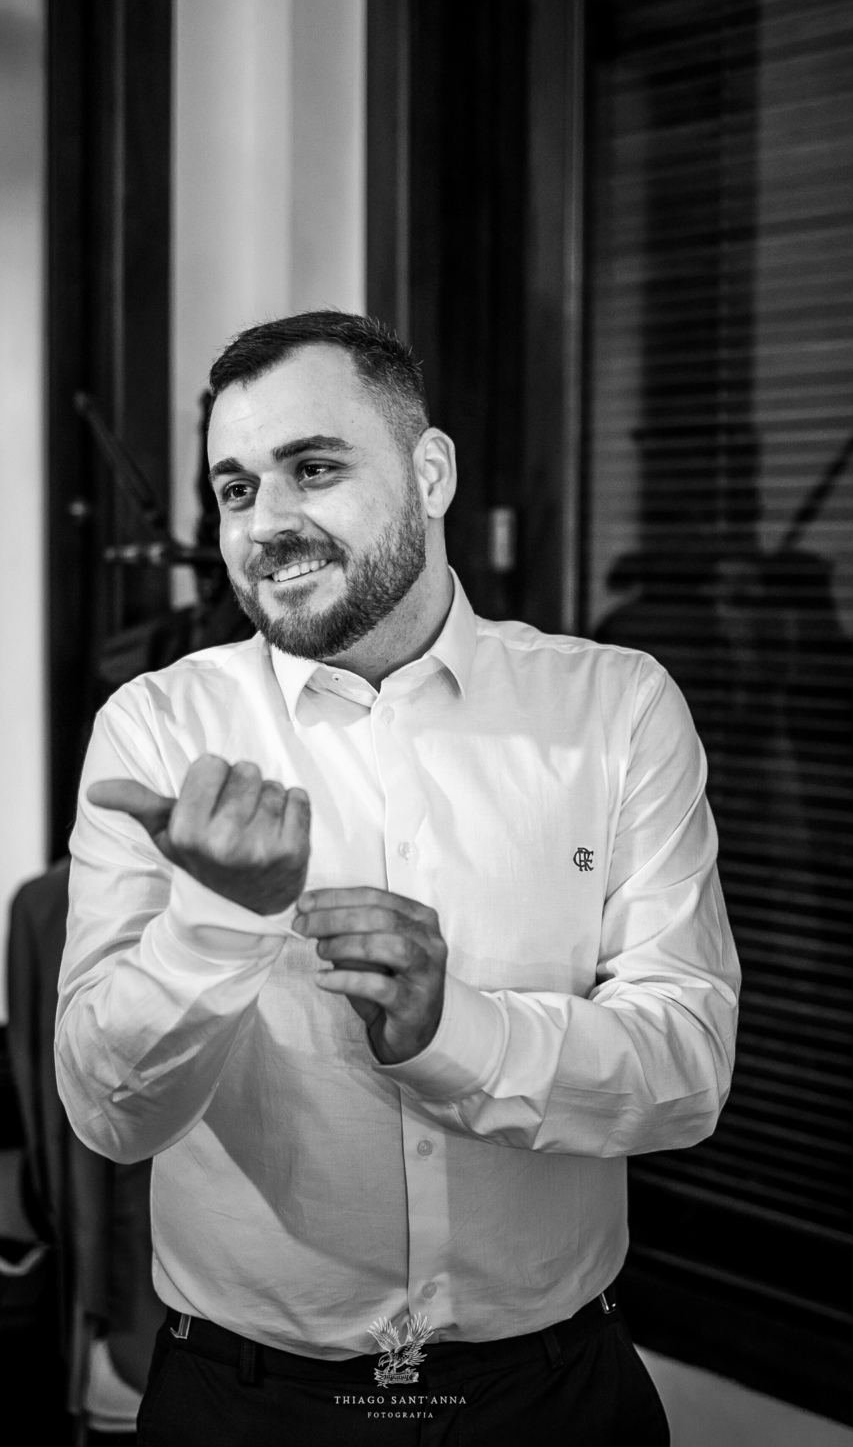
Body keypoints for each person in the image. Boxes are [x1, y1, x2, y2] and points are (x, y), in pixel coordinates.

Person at [55, 310, 740, 1446]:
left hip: (554, 1402)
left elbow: (688, 1071)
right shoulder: (158, 731)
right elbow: (108, 1114)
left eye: (314, 469)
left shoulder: (614, 711)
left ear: (430, 474)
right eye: (236, 489)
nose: (268, 524)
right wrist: (216, 925)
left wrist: (453, 1031)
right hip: (244, 1408)